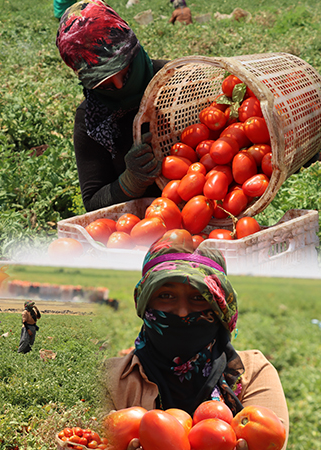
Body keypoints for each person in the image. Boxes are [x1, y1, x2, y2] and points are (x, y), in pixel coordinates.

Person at [104, 237, 289, 449]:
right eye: (166, 295)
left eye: (199, 297)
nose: (183, 312)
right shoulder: (110, 379)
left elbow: (272, 439)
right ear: (145, 302)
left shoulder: (254, 372)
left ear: (219, 307)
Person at [56, 0, 167, 212]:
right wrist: (129, 182)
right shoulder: (91, 119)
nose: (119, 86)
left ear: (132, 50)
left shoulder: (173, 79)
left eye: (125, 71)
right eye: (104, 84)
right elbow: (93, 202)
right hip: (143, 226)